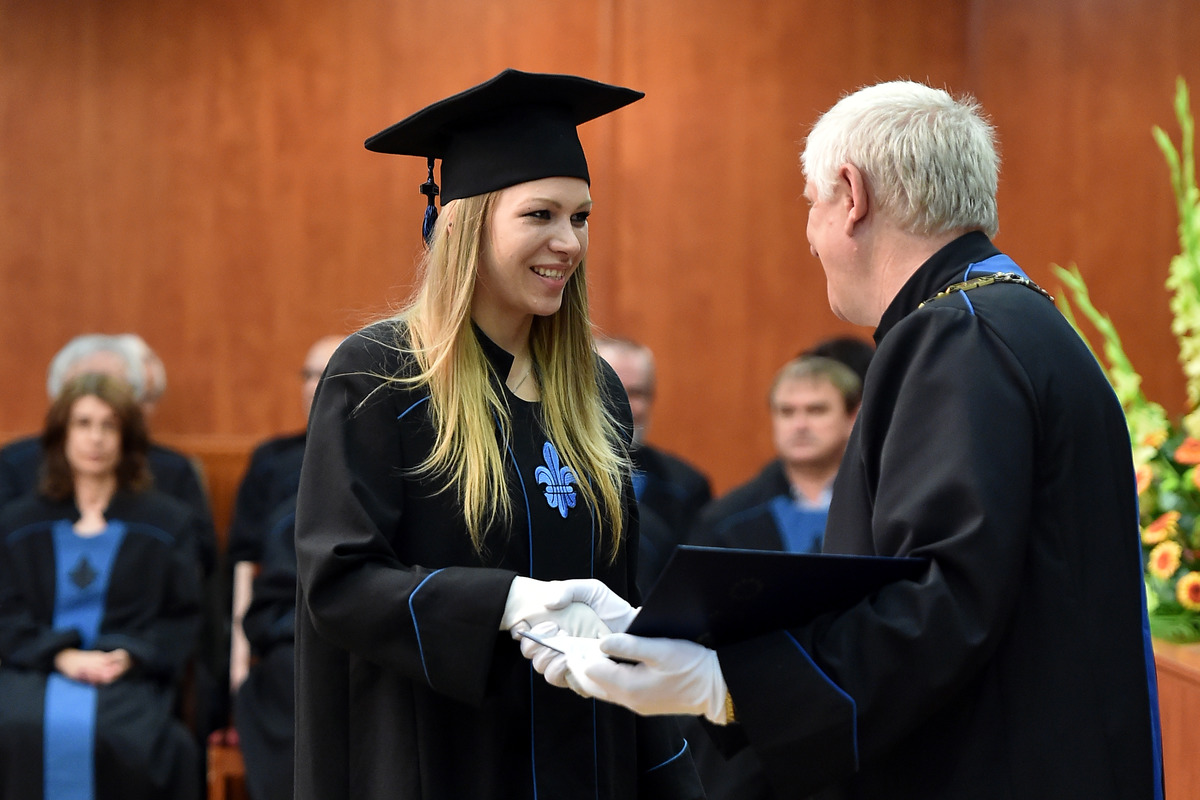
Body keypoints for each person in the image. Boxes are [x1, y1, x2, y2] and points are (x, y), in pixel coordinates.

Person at [523, 80, 1164, 799]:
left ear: (852, 196)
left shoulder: (955, 338)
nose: (809, 234)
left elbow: (942, 598)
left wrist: (727, 684)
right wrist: (689, 635)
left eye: (811, 203)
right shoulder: (1015, 322)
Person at [293, 69, 702, 800]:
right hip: (446, 759)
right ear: (462, 225)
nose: (567, 242)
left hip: (587, 761)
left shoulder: (596, 393)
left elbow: (617, 597)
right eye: (540, 214)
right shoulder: (383, 377)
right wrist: (504, 604)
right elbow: (339, 582)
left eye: (581, 217)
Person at [0, 373, 205, 800]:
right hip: (35, 669)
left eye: (109, 425)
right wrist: (62, 656)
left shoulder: (167, 523)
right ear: (61, 435)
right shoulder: (18, 524)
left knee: (140, 742)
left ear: (127, 438)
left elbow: (181, 616)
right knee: (16, 729)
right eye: (83, 423)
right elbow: (7, 613)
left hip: (127, 674)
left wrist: (127, 656)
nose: (96, 438)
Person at [0, 334, 217, 575]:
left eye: (111, 392)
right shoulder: (13, 466)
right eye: (83, 421)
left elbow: (197, 563)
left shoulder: (174, 475)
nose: (95, 437)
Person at [226, 334, 341, 694]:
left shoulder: (385, 456)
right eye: (309, 375)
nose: (315, 386)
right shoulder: (272, 460)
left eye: (328, 374)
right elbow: (245, 562)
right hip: (284, 620)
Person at [691, 355, 860, 555]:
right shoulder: (726, 520)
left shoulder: (881, 505)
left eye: (816, 410)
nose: (800, 425)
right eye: (787, 412)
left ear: (853, 418)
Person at [594, 336, 712, 591]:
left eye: (636, 393)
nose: (625, 404)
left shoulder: (687, 486)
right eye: (612, 389)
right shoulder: (552, 472)